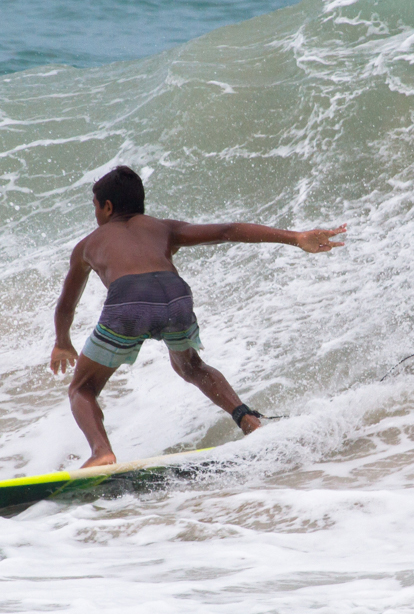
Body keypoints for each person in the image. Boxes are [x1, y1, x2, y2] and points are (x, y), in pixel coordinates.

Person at [49, 165, 346, 468]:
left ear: (107, 207)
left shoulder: (87, 245)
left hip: (129, 301)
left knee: (82, 388)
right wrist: (296, 237)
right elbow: (227, 231)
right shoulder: (163, 227)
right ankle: (248, 421)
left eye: (95, 207)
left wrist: (62, 342)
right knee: (191, 366)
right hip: (175, 296)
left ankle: (102, 452)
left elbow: (66, 305)